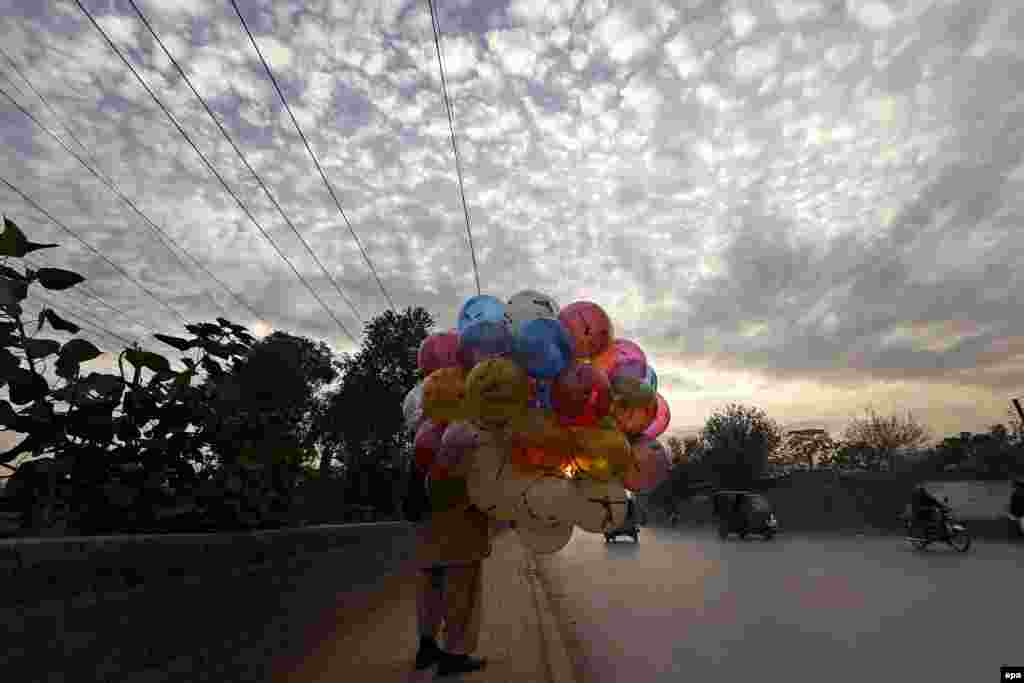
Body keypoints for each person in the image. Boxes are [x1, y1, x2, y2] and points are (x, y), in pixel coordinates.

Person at [411, 472, 491, 677]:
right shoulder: (473, 443)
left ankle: (427, 648)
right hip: (463, 530)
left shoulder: (426, 441)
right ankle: (454, 656)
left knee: (430, 592)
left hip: (429, 527)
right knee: (462, 598)